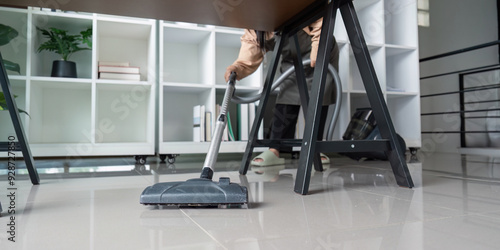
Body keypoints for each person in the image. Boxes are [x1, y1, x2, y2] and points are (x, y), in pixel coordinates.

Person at [225, 18, 339, 166]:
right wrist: (236, 69)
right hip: (293, 60)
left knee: (318, 98)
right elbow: (249, 53)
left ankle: (315, 148)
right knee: (286, 97)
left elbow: (321, 19)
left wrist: (318, 50)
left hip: (322, 50)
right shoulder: (255, 23)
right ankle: (275, 150)